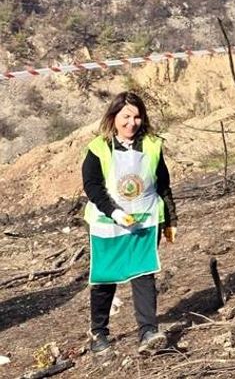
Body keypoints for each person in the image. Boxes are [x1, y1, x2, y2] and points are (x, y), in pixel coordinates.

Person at [82, 91, 177, 355]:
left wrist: (171, 219)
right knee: (105, 277)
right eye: (126, 117)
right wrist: (114, 212)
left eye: (137, 117)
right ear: (113, 117)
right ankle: (99, 334)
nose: (131, 123)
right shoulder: (99, 147)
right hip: (108, 224)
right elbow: (92, 186)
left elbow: (163, 185)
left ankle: (148, 332)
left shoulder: (152, 145)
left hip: (144, 222)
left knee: (143, 273)